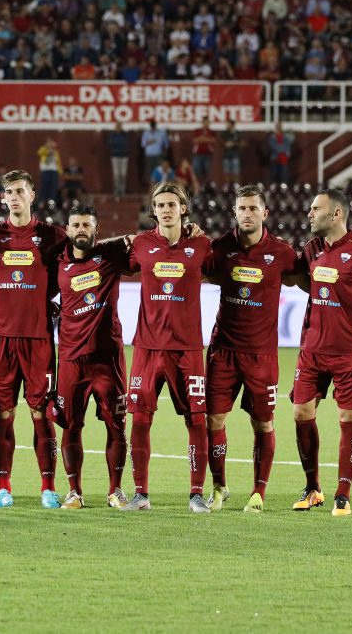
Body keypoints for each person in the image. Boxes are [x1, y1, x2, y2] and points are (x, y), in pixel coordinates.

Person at [0, 170, 68, 508]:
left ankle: (48, 489)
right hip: (2, 340)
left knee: (41, 413)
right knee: (2, 413)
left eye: (20, 191)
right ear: (3, 197)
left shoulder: (52, 236)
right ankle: (3, 488)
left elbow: (85, 252)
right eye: (9, 191)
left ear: (32, 195)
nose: (14, 196)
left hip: (38, 338)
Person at [287, 189, 352, 517]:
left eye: (316, 209)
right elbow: (301, 279)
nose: (310, 214)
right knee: (301, 413)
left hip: (349, 353)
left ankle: (342, 494)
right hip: (312, 349)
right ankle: (312, 487)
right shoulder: (311, 249)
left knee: (348, 417)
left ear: (337, 215)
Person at [203, 185, 298, 513]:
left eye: (253, 209)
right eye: (241, 208)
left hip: (261, 356)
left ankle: (258, 491)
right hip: (222, 351)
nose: (247, 214)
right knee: (214, 420)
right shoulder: (218, 250)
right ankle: (218, 487)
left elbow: (306, 280)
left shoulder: (283, 254)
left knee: (262, 423)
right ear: (234, 212)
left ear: (264, 213)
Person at [120, 182, 213, 514]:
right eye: (160, 204)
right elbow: (105, 261)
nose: (166, 209)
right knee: (140, 419)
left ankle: (196, 494)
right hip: (147, 347)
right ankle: (141, 494)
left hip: (187, 348)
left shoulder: (202, 246)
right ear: (153, 210)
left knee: (196, 420)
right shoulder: (140, 244)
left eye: (172, 204)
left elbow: (228, 272)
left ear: (183, 208)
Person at [53, 204, 130, 510]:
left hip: (108, 360)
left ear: (96, 230)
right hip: (71, 359)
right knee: (71, 426)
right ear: (67, 230)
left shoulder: (111, 257)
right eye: (76, 225)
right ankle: (74, 492)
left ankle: (115, 491)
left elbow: (146, 245)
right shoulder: (55, 263)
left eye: (87, 225)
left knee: (116, 426)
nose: (81, 229)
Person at [106, 122, 130, 195]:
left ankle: (122, 190)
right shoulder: (112, 135)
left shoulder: (125, 134)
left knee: (123, 174)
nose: (118, 128)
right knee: (116, 174)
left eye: (120, 126)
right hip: (115, 156)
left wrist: (118, 143)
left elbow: (126, 143)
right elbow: (109, 143)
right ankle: (116, 190)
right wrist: (118, 143)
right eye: (117, 126)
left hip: (124, 156)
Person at [36, 138, 61, 204]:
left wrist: (60, 171)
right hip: (45, 171)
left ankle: (52, 203)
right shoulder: (43, 149)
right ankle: (41, 202)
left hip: (54, 171)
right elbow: (39, 152)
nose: (50, 144)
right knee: (44, 186)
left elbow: (58, 162)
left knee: (53, 188)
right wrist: (49, 150)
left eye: (51, 142)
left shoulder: (55, 152)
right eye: (49, 142)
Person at [191, 118, 215, 183]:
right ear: (203, 123)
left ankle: (205, 185)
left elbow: (212, 140)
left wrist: (202, 139)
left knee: (207, 170)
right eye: (205, 122)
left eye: (208, 122)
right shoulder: (197, 131)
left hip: (207, 154)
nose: (206, 124)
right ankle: (198, 184)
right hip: (198, 153)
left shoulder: (211, 131)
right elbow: (195, 140)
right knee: (196, 169)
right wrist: (206, 139)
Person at [221, 119, 242, 184]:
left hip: (235, 155)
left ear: (232, 125)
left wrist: (233, 144)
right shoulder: (224, 133)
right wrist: (226, 144)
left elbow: (242, 143)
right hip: (226, 155)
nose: (227, 125)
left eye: (228, 124)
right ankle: (227, 187)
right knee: (227, 173)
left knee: (236, 173)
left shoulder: (238, 133)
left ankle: (236, 187)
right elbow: (221, 142)